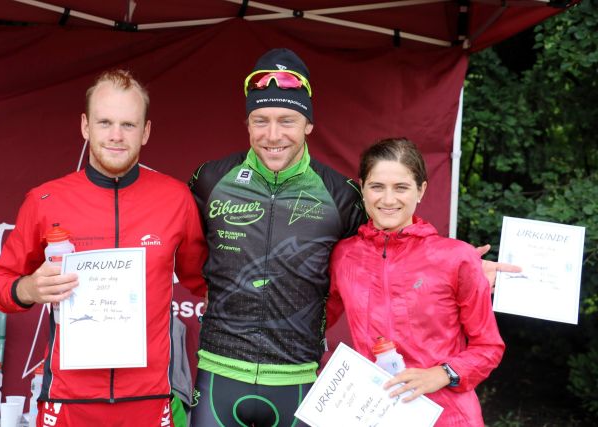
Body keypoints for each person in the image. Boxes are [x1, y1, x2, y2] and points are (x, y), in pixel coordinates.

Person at [187, 48, 513, 427]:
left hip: (298, 374)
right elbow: (183, 248)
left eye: (287, 120)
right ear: (247, 122)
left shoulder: (340, 194)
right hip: (219, 366)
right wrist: (213, 292)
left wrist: (459, 266)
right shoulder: (211, 179)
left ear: (309, 124)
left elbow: (386, 245)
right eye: (261, 120)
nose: (273, 135)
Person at [0, 69, 207, 426]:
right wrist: (28, 288)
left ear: (145, 131)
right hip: (67, 400)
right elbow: (1, 285)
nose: (116, 135)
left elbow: (204, 280)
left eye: (128, 124)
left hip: (149, 399)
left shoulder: (176, 199)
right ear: (85, 126)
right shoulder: (44, 200)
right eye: (105, 122)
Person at [327, 138, 505, 427]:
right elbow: (311, 323)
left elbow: (488, 347)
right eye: (377, 186)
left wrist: (443, 373)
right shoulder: (344, 256)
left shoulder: (456, 257)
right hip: (373, 414)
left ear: (421, 190)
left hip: (448, 416)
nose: (388, 200)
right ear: (362, 187)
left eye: (401, 187)